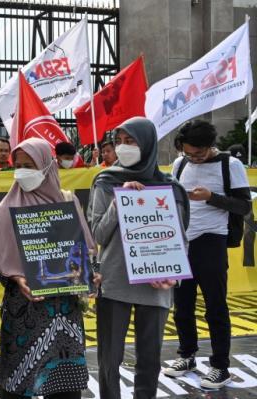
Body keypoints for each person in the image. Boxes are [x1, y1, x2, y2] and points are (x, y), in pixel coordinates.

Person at [87, 117, 190, 399]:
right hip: (115, 283)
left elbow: (180, 238)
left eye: (130, 141)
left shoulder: (171, 187)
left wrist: (174, 275)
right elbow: (98, 234)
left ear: (146, 144)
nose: (123, 147)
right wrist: (119, 203)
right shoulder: (105, 181)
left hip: (157, 284)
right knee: (110, 357)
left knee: (150, 358)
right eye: (119, 141)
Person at [0, 138, 95, 399]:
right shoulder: (7, 207)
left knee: (64, 386)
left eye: (30, 165)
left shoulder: (67, 202)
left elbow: (84, 252)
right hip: (25, 310)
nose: (22, 171)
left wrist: (91, 273)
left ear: (47, 166)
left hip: (64, 311)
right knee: (20, 380)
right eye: (18, 165)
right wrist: (17, 278)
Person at [164, 120, 251, 389]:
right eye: (188, 153)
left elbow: (244, 206)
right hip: (183, 241)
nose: (193, 158)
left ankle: (220, 365)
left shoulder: (230, 165)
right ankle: (187, 355)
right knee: (182, 305)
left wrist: (212, 197)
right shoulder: (180, 164)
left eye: (198, 154)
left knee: (215, 306)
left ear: (209, 146)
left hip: (212, 240)